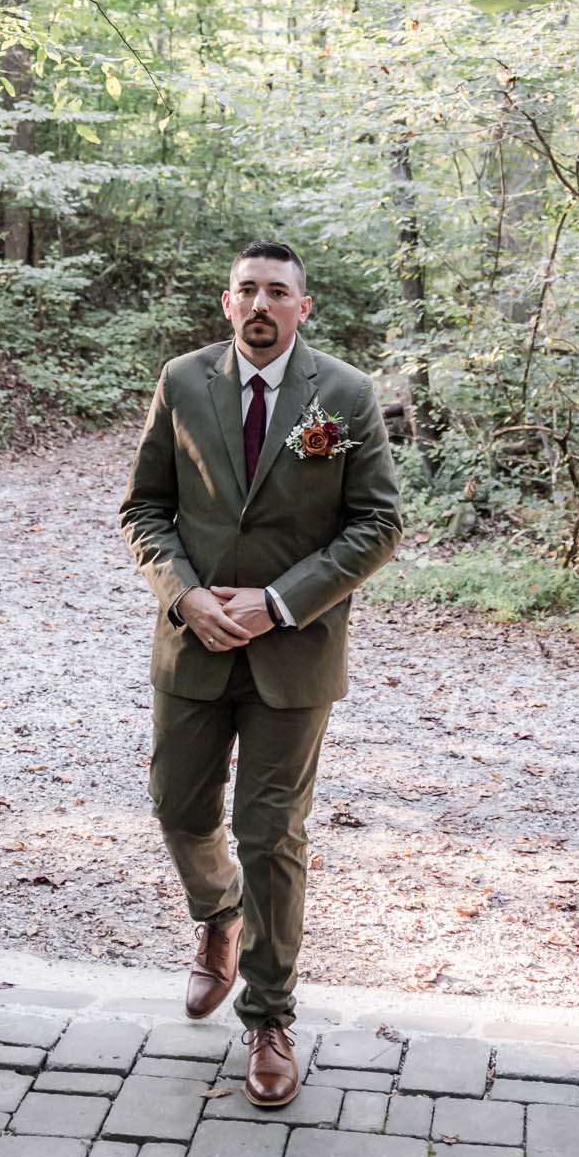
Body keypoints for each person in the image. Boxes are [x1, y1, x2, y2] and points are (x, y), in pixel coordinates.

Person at [119, 241, 403, 1106]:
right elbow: (145, 508)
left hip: (293, 652)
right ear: (225, 300)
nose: (259, 304)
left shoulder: (344, 396)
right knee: (178, 807)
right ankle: (218, 919)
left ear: (302, 308)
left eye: (277, 292)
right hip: (193, 644)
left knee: (271, 834)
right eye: (246, 289)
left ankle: (270, 1017)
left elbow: (377, 523)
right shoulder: (183, 381)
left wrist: (278, 602)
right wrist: (184, 596)